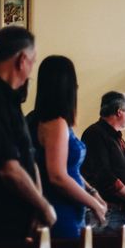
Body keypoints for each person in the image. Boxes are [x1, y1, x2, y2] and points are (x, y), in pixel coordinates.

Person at [0, 26, 56, 241]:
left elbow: (27, 156)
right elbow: (8, 169)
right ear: (21, 60)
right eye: (32, 62)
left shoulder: (9, 97)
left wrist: (37, 201)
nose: (30, 71)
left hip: (18, 221)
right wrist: (45, 207)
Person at [28, 55, 107, 238]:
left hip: (68, 208)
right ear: (67, 86)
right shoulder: (56, 123)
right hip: (61, 210)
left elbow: (70, 169)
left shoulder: (40, 119)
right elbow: (58, 176)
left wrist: (92, 191)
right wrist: (94, 204)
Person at [81, 91, 125, 234]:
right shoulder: (95, 134)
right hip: (108, 213)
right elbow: (103, 176)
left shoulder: (118, 139)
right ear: (119, 112)